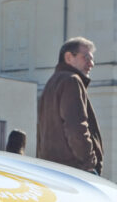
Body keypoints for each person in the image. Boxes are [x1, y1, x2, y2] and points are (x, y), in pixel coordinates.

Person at [37, 37, 104, 173]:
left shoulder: (51, 83)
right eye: (86, 58)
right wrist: (89, 163)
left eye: (92, 59)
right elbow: (76, 127)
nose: (91, 64)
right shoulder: (71, 81)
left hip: (51, 169)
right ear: (68, 57)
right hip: (74, 170)